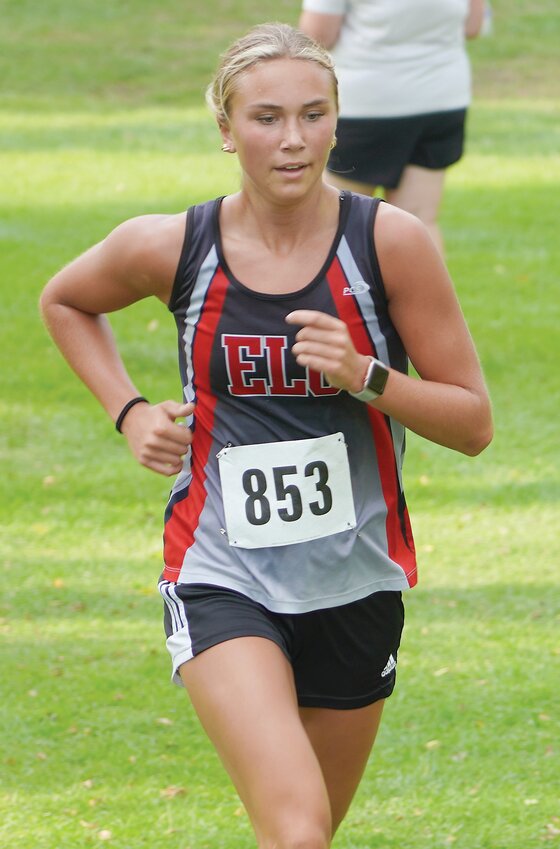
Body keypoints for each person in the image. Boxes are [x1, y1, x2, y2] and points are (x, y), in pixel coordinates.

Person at [40, 22, 492, 849]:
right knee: (296, 830)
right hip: (221, 571)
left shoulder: (389, 244)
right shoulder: (173, 246)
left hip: (355, 581)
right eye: (267, 118)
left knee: (302, 831)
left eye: (314, 116)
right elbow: (66, 300)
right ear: (225, 129)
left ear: (337, 121)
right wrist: (130, 409)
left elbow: (473, 423)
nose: (294, 140)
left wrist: (367, 374)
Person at [299, 0, 486, 255]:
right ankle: (426, 296)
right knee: (419, 220)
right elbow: (472, 26)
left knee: (337, 221)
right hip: (441, 98)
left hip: (367, 103)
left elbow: (318, 34)